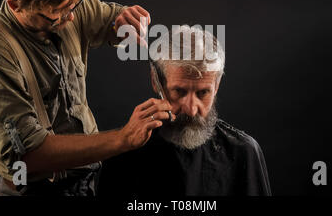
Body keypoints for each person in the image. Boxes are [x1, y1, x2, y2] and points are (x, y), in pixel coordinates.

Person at [0, 0, 176, 196]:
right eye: (57, 14)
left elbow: (108, 18)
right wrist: (123, 138)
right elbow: (28, 156)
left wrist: (125, 20)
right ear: (16, 4)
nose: (72, 19)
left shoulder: (68, 5)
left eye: (74, 5)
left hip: (85, 184)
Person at [97, 26, 272, 196]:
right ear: (156, 81)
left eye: (203, 93)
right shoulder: (123, 152)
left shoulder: (243, 152)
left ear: (216, 86)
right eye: (179, 91)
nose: (190, 109)